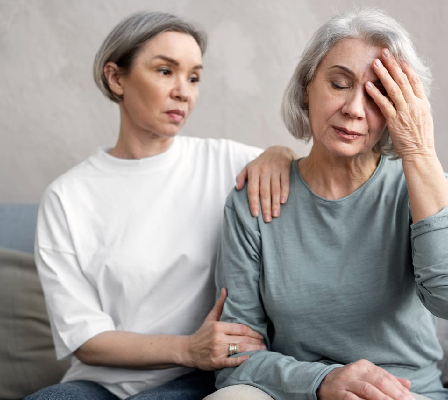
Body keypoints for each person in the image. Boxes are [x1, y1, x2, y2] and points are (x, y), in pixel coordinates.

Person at [210, 8, 448, 400]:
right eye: (339, 84)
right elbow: (234, 349)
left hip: (398, 392)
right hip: (292, 390)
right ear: (307, 87)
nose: (355, 109)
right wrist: (321, 382)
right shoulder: (255, 196)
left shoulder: (420, 185)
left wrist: (419, 150)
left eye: (379, 95)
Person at [27, 11, 297, 400]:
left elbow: (301, 172)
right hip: (97, 381)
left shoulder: (226, 164)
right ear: (116, 78)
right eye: (165, 71)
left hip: (195, 380)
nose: (184, 92)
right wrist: (188, 347)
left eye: (194, 77)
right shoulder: (66, 197)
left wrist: (279, 152)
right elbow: (85, 338)